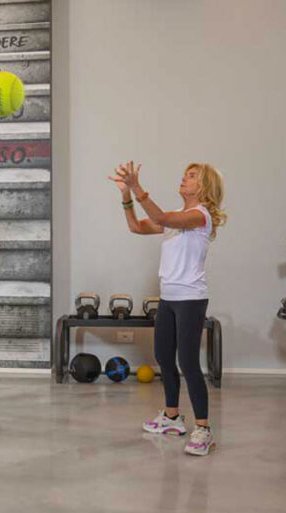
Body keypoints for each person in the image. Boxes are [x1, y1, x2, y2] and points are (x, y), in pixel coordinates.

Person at [109, 161, 226, 456]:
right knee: (163, 356)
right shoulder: (176, 219)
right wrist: (126, 195)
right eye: (185, 174)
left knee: (188, 362)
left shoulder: (199, 216)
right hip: (168, 297)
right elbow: (136, 227)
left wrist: (137, 187)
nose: (184, 179)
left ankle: (203, 429)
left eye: (191, 176)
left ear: (204, 186)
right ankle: (172, 417)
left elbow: (160, 216)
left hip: (191, 299)